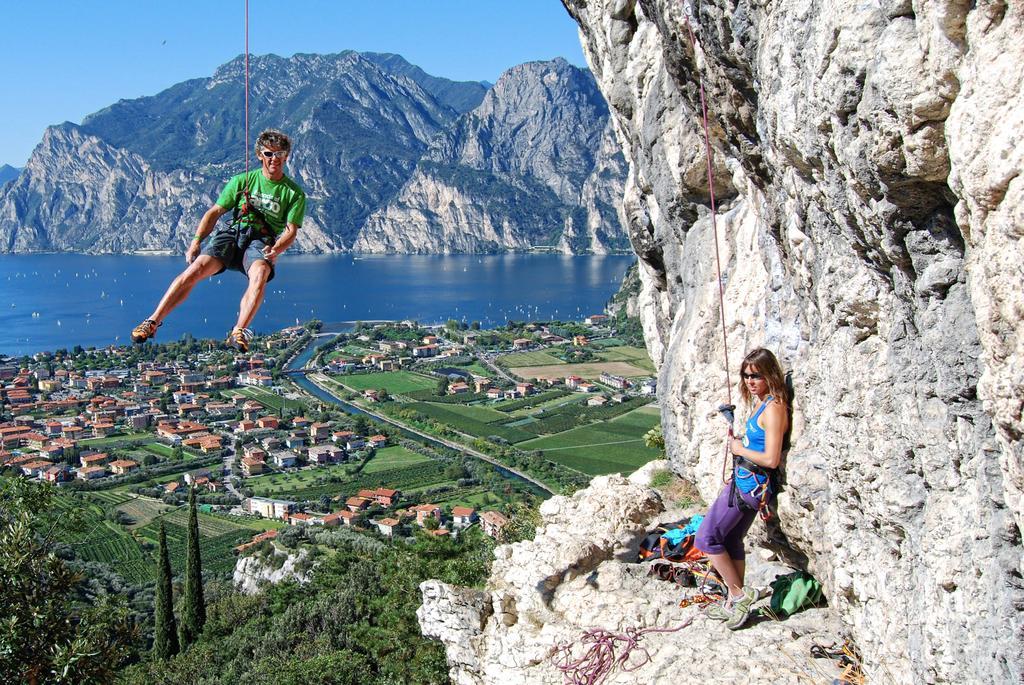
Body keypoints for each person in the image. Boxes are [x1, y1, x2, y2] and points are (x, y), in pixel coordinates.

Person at [130, 129, 306, 353]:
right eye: (269, 154)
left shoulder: (294, 193)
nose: (275, 159)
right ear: (260, 155)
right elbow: (214, 213)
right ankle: (152, 321)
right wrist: (196, 242)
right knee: (196, 270)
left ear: (287, 156)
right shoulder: (242, 181)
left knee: (260, 274)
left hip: (261, 240)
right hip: (233, 233)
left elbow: (291, 230)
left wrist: (277, 249)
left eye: (280, 154)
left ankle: (239, 331)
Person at [696, 347, 789, 630]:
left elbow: (771, 459)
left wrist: (739, 449)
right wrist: (743, 446)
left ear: (770, 375)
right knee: (732, 538)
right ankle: (732, 599)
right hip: (747, 483)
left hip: (750, 485)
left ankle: (737, 594)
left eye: (756, 375)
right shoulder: (763, 403)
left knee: (707, 537)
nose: (750, 381)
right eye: (746, 375)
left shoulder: (774, 409)